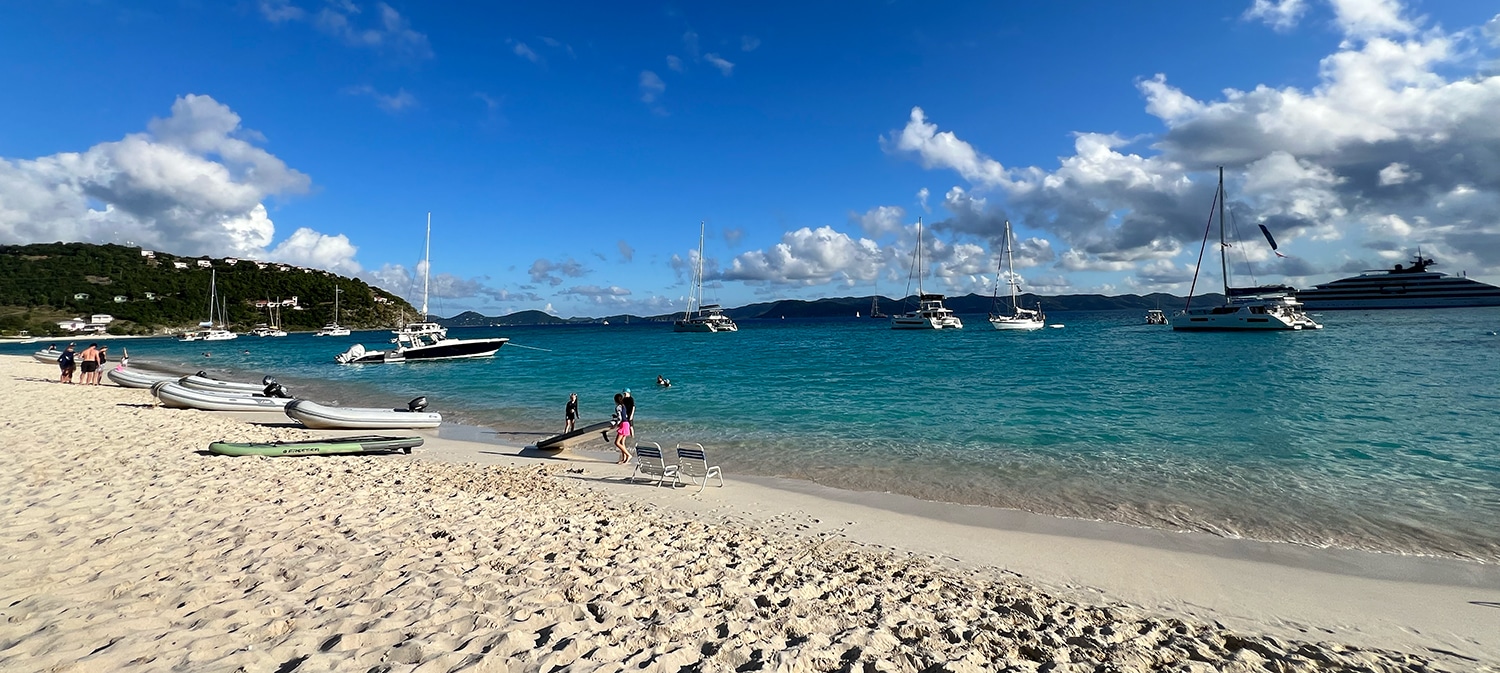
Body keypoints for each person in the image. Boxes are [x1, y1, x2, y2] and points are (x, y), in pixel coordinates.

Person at [611, 393, 631, 464]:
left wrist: (615, 425)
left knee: (617, 442)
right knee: (622, 443)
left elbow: (620, 418)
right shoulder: (623, 406)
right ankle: (624, 459)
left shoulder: (617, 407)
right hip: (627, 424)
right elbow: (624, 415)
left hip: (623, 424)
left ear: (615, 400)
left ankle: (628, 455)